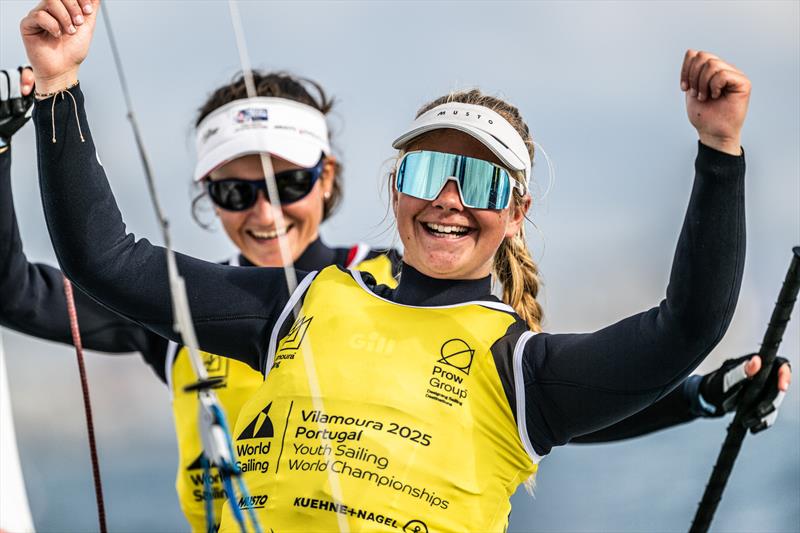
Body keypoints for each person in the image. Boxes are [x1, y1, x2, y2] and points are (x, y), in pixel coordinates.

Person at [16, 1, 791, 530]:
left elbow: (685, 326)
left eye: (481, 182)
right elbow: (101, 258)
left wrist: (719, 152)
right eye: (426, 174)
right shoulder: (297, 304)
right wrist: (58, 84)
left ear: (517, 212)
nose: (450, 199)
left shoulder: (522, 369)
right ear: (393, 191)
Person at [3, 7, 397, 529]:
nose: (264, 212)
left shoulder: (399, 284)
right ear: (208, 197)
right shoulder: (178, 306)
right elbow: (14, 293)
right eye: (236, 191)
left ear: (327, 178)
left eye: (289, 184)